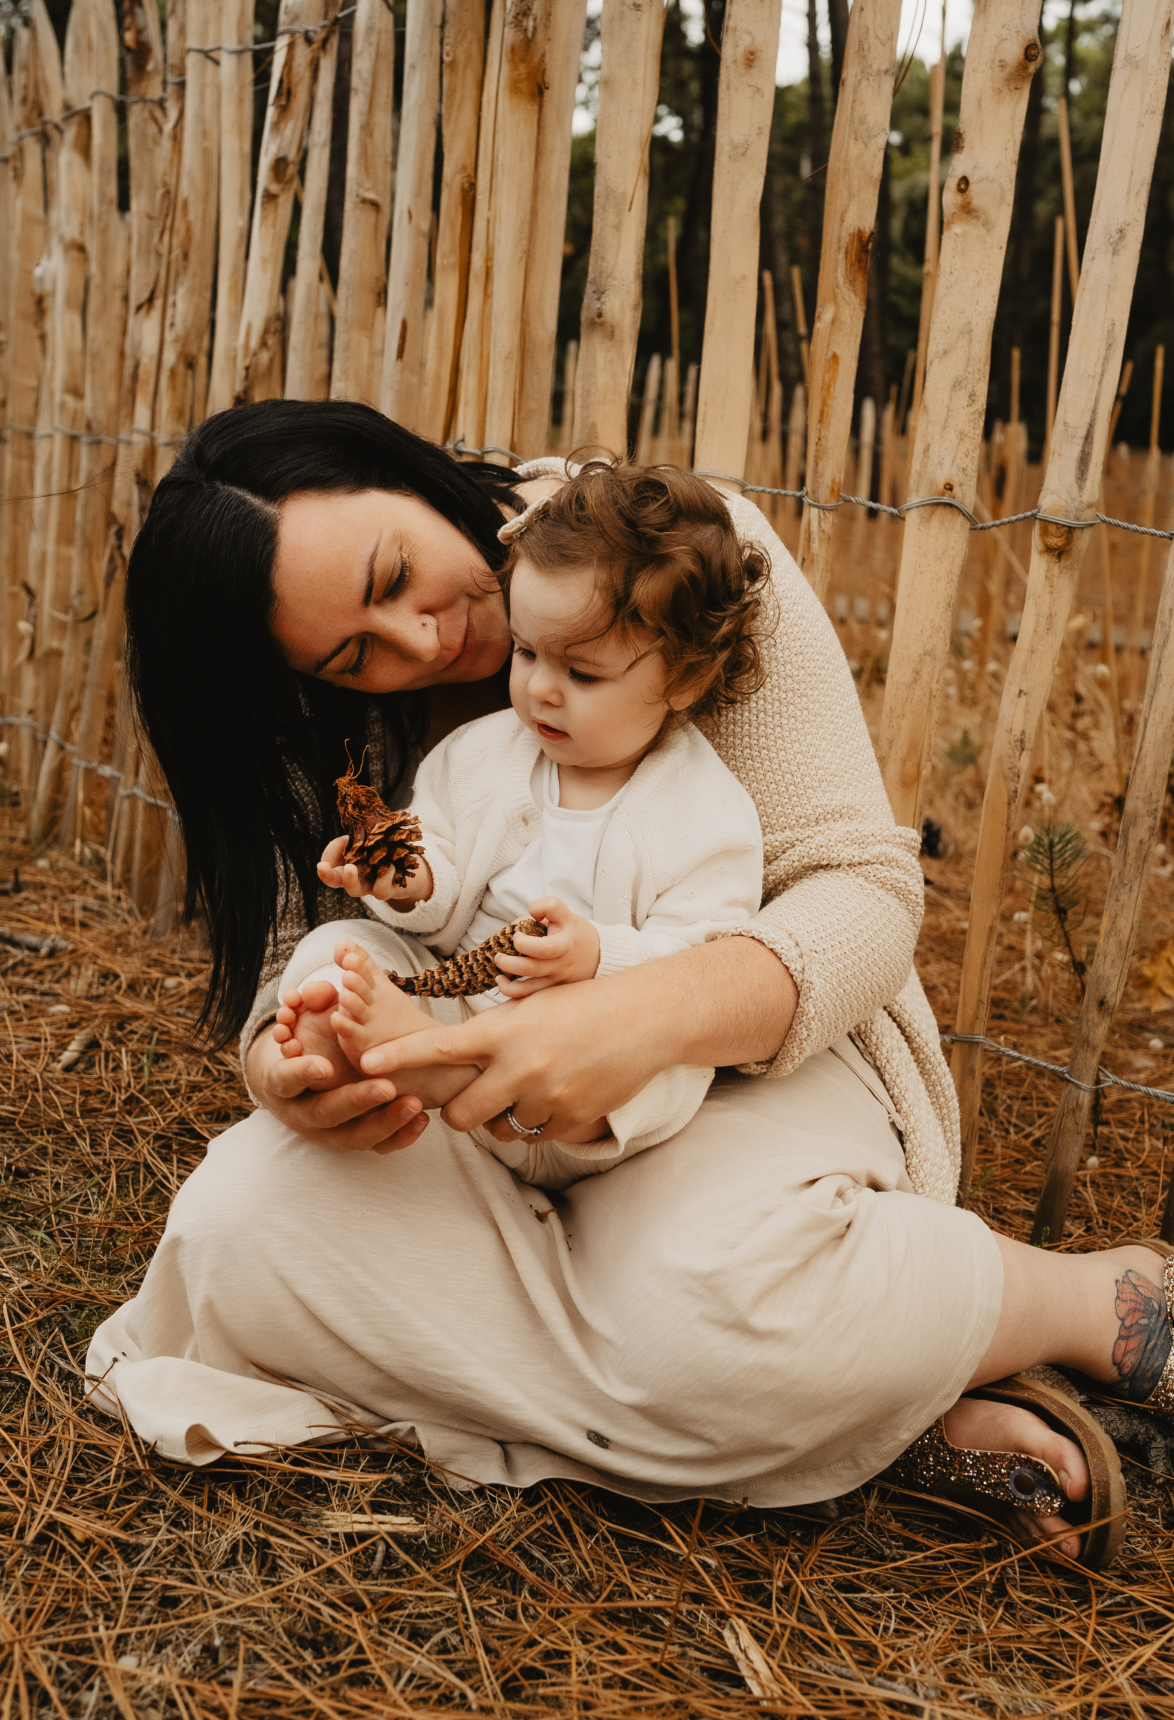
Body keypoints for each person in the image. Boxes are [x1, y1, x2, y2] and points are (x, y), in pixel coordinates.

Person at [92, 398, 1174, 1567]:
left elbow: (863, 890)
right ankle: (865, 1407)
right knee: (231, 1233)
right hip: (465, 1084)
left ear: (398, 470)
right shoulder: (329, 729)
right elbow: (298, 955)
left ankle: (1067, 1301)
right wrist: (289, 1065)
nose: (417, 645)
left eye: (397, 574)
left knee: (701, 1303)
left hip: (735, 1069)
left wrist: (627, 1012)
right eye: (350, 655)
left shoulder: (669, 562)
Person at [275, 461, 767, 1192]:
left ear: (685, 679)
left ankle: (432, 1068)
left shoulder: (708, 814)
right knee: (339, 948)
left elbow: (705, 957)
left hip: (591, 1083)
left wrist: (601, 956)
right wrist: (406, 877)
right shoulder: (479, 757)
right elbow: (438, 890)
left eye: (584, 674)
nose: (539, 688)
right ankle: (379, 1049)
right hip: (458, 1005)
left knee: (675, 1070)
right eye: (527, 651)